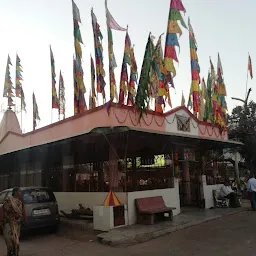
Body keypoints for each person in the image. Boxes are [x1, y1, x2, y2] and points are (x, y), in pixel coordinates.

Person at [2, 187, 26, 256]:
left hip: (17, 224)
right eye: (19, 192)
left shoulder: (20, 201)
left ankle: (16, 253)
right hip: (8, 223)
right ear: (15, 192)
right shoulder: (9, 200)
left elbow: (23, 210)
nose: (21, 193)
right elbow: (3, 209)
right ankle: (10, 252)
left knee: (16, 241)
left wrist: (25, 219)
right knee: (9, 240)